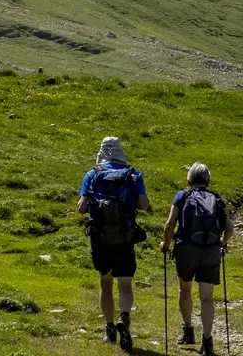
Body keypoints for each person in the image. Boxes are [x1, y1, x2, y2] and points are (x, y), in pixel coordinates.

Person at [78, 136, 151, 350]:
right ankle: (125, 318)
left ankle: (109, 329)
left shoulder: (92, 174)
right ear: (121, 151)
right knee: (125, 284)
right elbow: (144, 205)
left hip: (100, 238)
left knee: (106, 282)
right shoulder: (133, 175)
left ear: (101, 151)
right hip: (125, 237)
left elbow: (82, 208)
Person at [160, 162, 232, 354]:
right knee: (207, 297)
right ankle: (207, 341)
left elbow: (170, 224)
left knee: (185, 288)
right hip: (210, 250)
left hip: (186, 249)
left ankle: (188, 330)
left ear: (189, 180)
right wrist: (222, 244)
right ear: (208, 180)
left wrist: (165, 245)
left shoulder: (182, 195)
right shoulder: (217, 198)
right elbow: (229, 228)